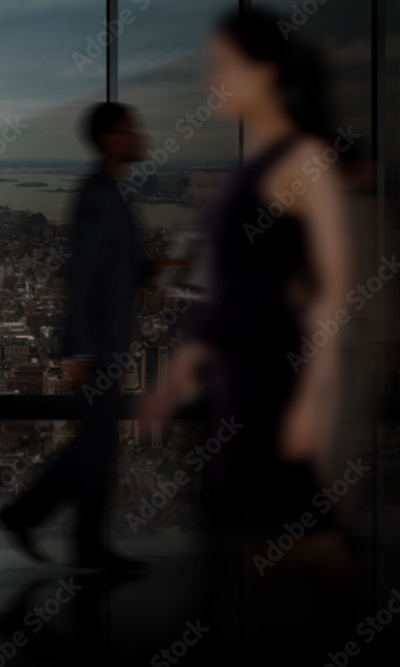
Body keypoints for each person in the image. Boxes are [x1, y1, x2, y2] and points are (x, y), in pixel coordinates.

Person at [138, 9, 357, 661]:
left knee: (283, 533)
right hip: (237, 381)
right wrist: (178, 373)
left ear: (267, 72)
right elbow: (220, 291)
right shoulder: (244, 169)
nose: (214, 79)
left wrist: (315, 399)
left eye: (226, 66)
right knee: (259, 532)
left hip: (276, 377)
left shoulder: (304, 158)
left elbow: (336, 288)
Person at [0, 102, 149, 571]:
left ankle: (34, 519)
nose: (138, 136)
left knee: (94, 446)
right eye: (129, 130)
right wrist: (79, 350)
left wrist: (160, 269)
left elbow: (116, 266)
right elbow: (81, 274)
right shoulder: (98, 194)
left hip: (108, 343)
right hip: (98, 346)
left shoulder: (112, 192)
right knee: (96, 447)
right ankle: (70, 536)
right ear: (109, 139)